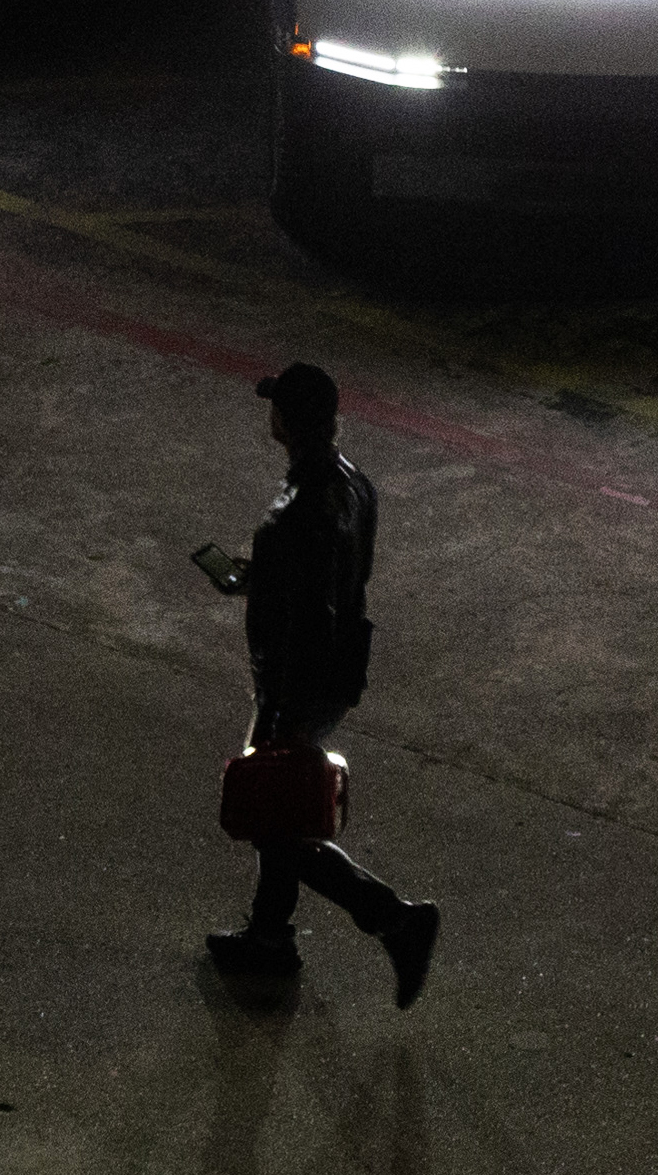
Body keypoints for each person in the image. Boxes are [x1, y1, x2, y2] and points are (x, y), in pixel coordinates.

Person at [206, 361, 439, 1006]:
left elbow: (309, 613)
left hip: (298, 681)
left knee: (273, 815)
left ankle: (395, 917)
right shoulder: (352, 482)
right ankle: (270, 937)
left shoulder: (298, 511)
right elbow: (336, 579)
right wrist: (266, 576)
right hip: (338, 668)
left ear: (285, 421)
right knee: (280, 806)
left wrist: (281, 711)